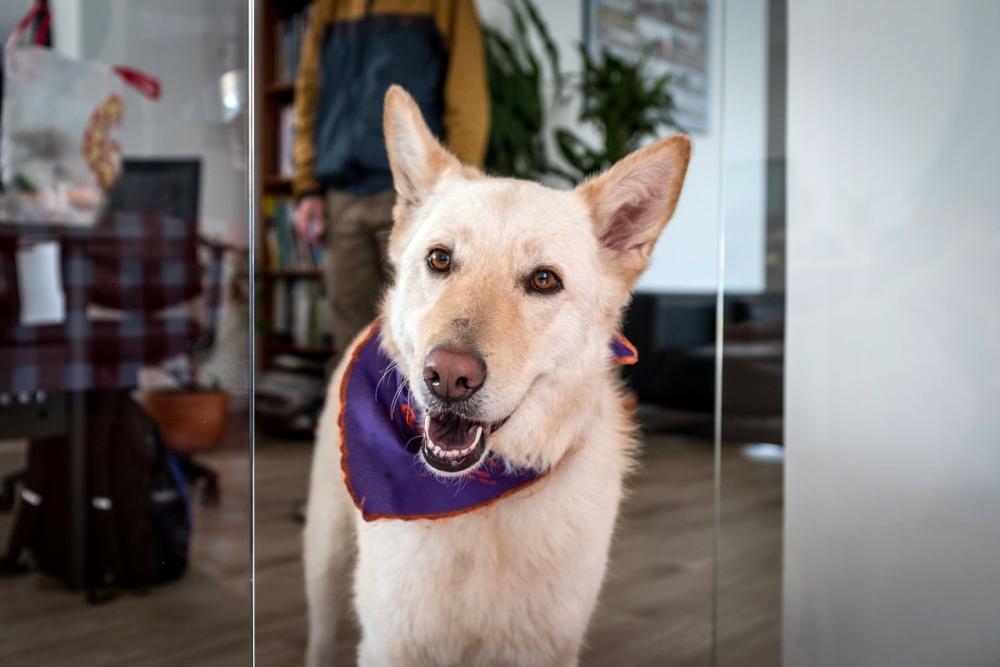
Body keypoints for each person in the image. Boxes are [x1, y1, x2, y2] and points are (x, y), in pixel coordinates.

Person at [292, 0, 489, 362]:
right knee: (350, 343)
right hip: (341, 194)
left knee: (422, 336)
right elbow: (309, 95)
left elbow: (467, 96)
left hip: (416, 192)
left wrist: (456, 195)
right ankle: (351, 420)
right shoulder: (328, 8)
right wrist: (307, 187)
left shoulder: (446, 5)